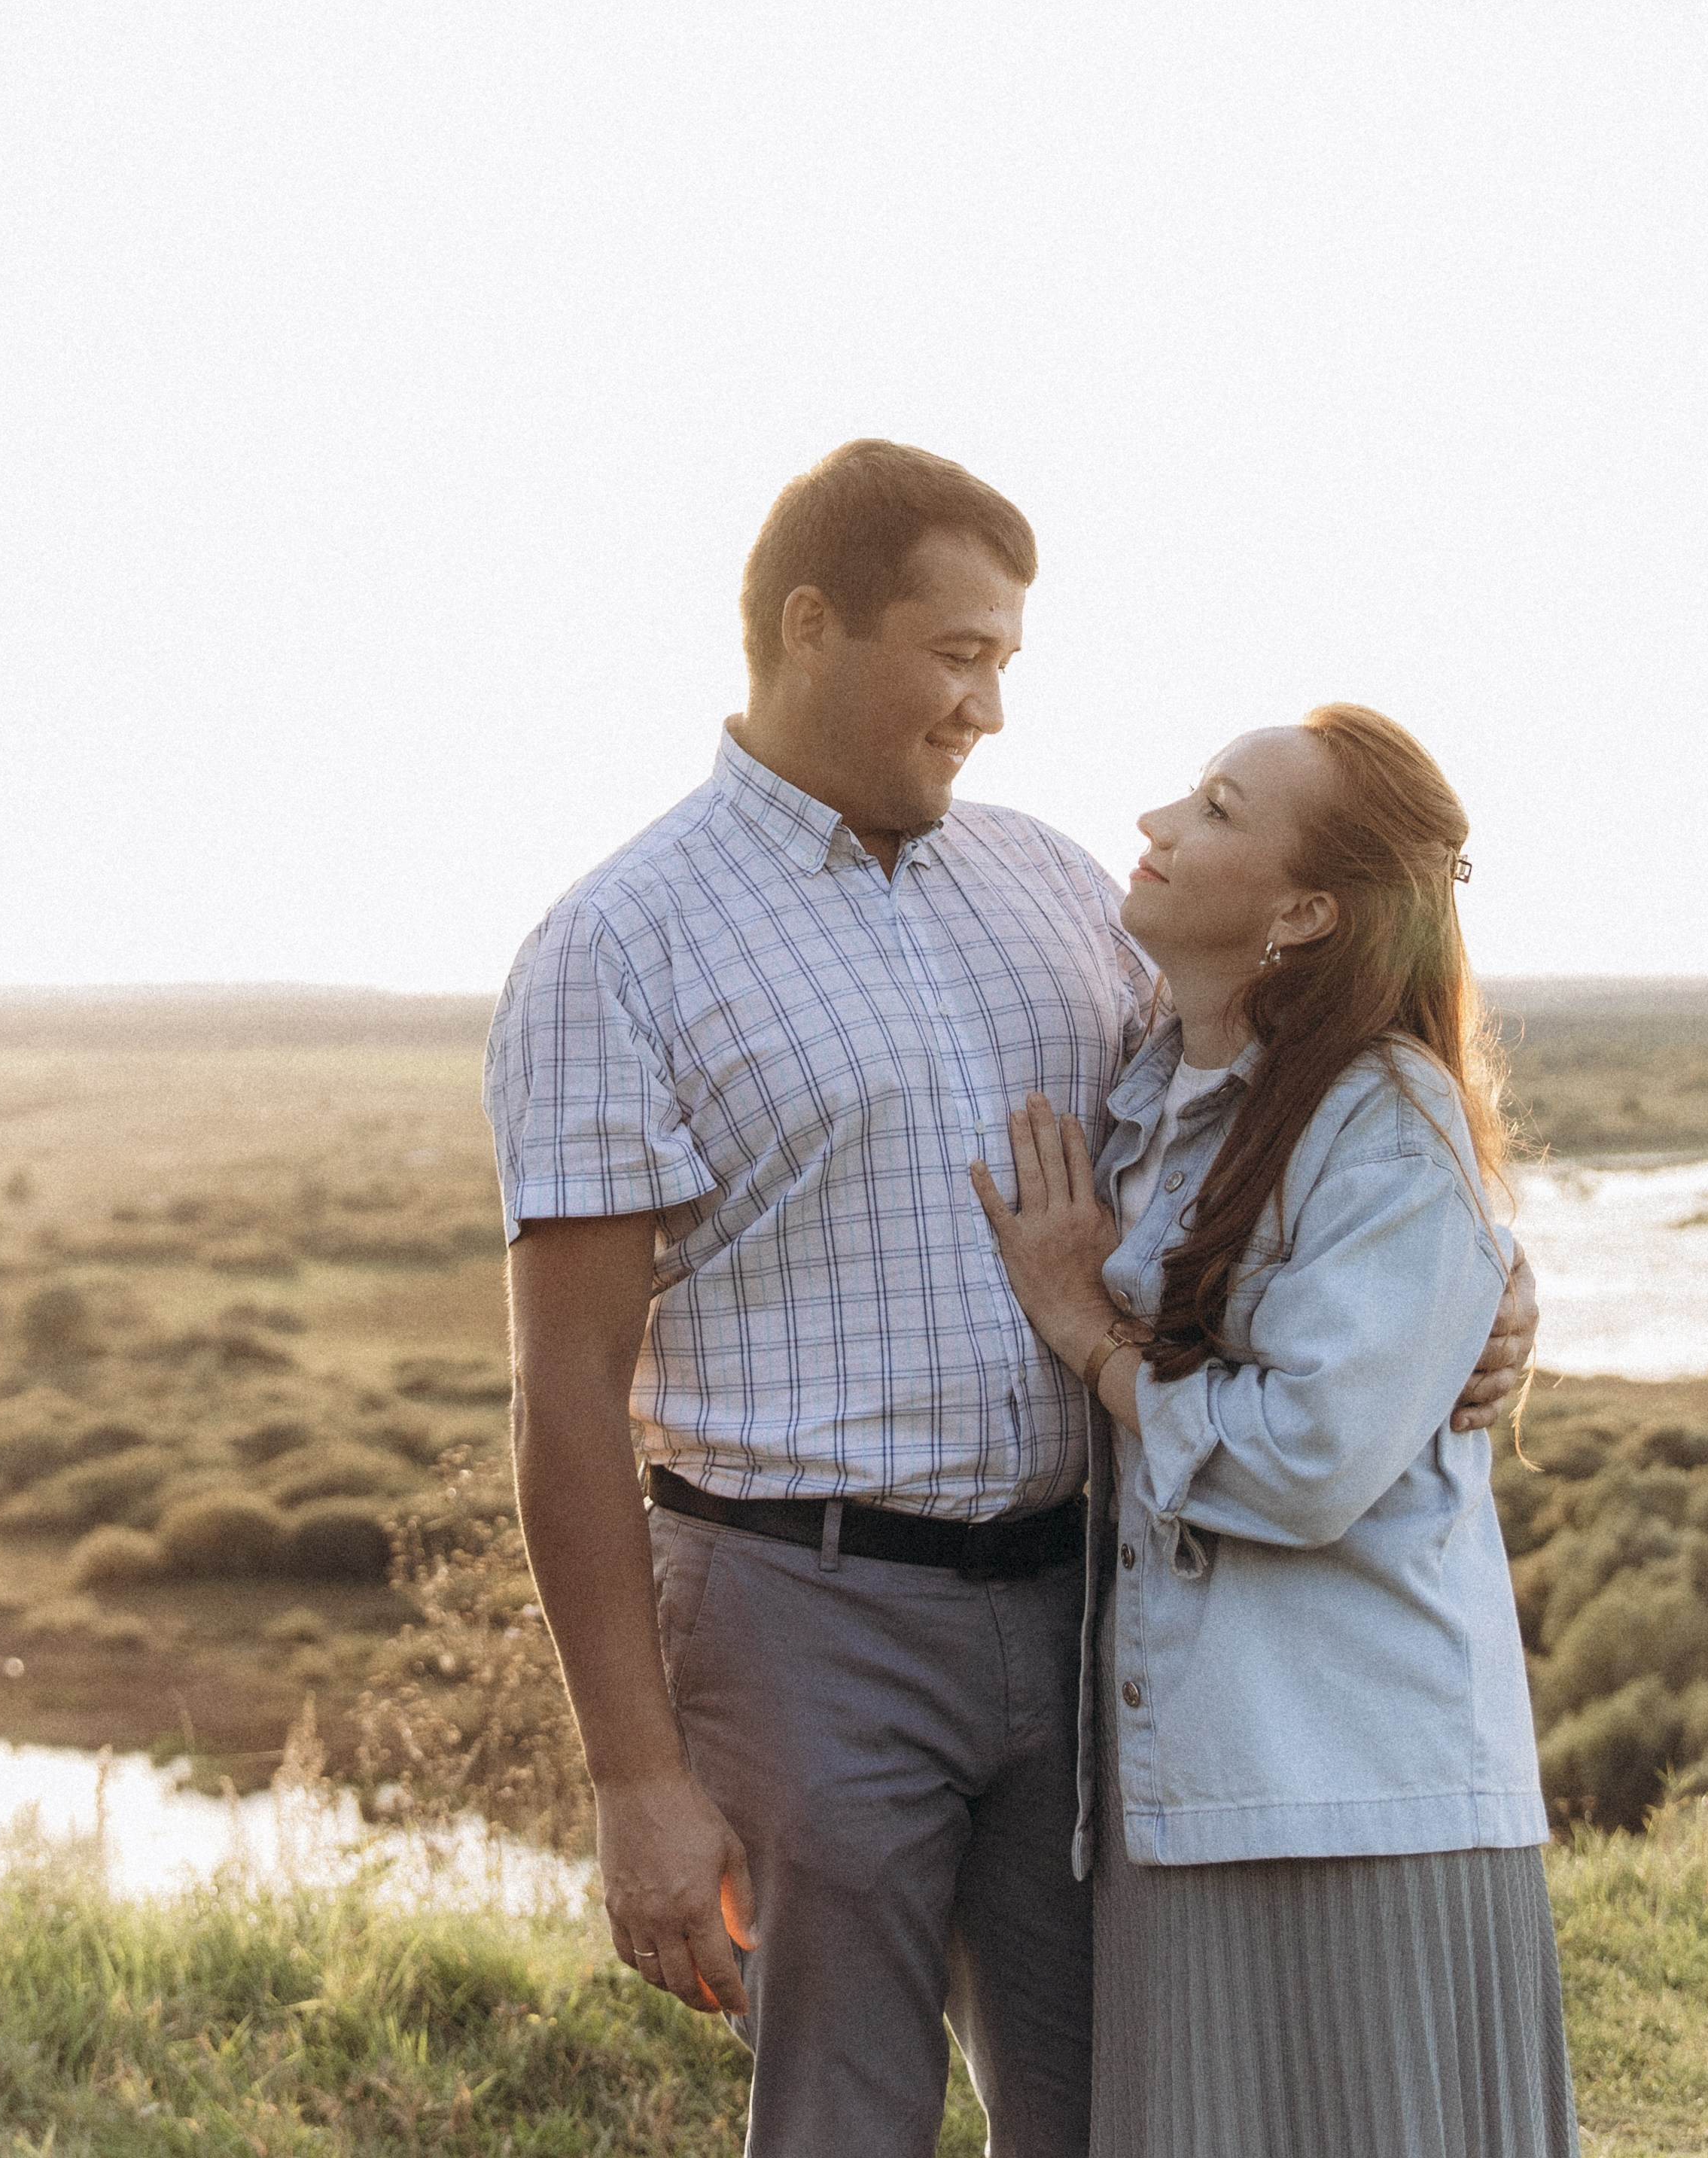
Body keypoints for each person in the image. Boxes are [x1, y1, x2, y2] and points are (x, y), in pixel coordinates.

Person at [486, 443, 1540, 2158]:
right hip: (803, 1610)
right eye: (959, 653)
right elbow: (561, 1392)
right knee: (846, 2113)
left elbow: (1298, 1116)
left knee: (1112, 2105)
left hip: (1088, 1619)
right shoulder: (622, 944)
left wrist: (1486, 1285)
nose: (990, 707)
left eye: (1007, 665)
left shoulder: (1056, 888)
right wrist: (635, 1783)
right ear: (812, 627)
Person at [970, 705, 1577, 2158]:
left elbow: (1308, 1459)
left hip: (1364, 1796)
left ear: (1307, 910)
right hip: (1181, 1790)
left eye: (1220, 809)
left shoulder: (1388, 1115)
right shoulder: (1141, 1096)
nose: (1158, 823)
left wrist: (1090, 1335)